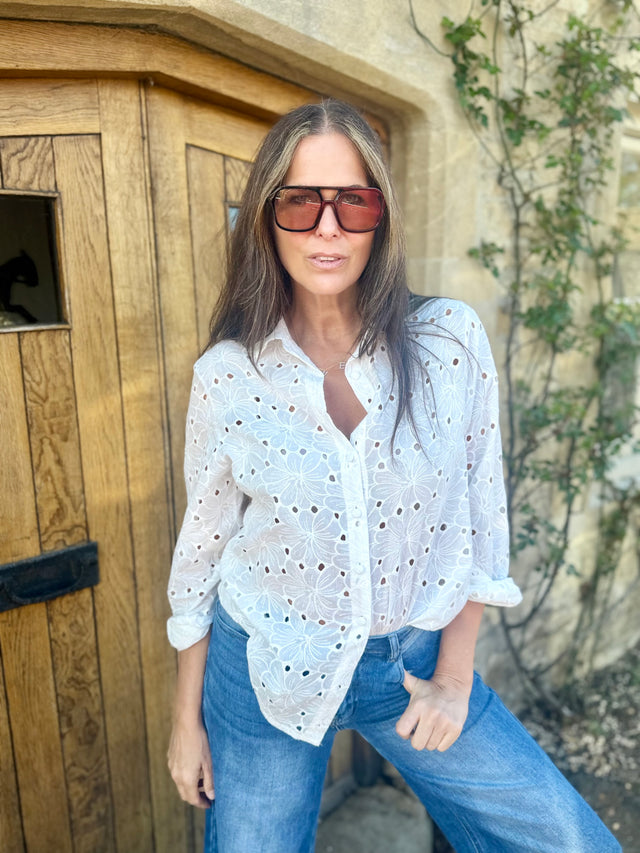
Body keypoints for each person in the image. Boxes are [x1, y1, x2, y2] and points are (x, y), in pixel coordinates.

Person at [166, 98, 621, 853]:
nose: (328, 228)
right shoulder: (228, 375)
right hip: (264, 669)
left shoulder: (447, 342)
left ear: (381, 217)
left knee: (567, 840)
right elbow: (202, 553)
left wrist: (455, 679)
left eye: (353, 202)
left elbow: (480, 517)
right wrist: (187, 722)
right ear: (267, 219)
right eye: (300, 203)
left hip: (408, 663)